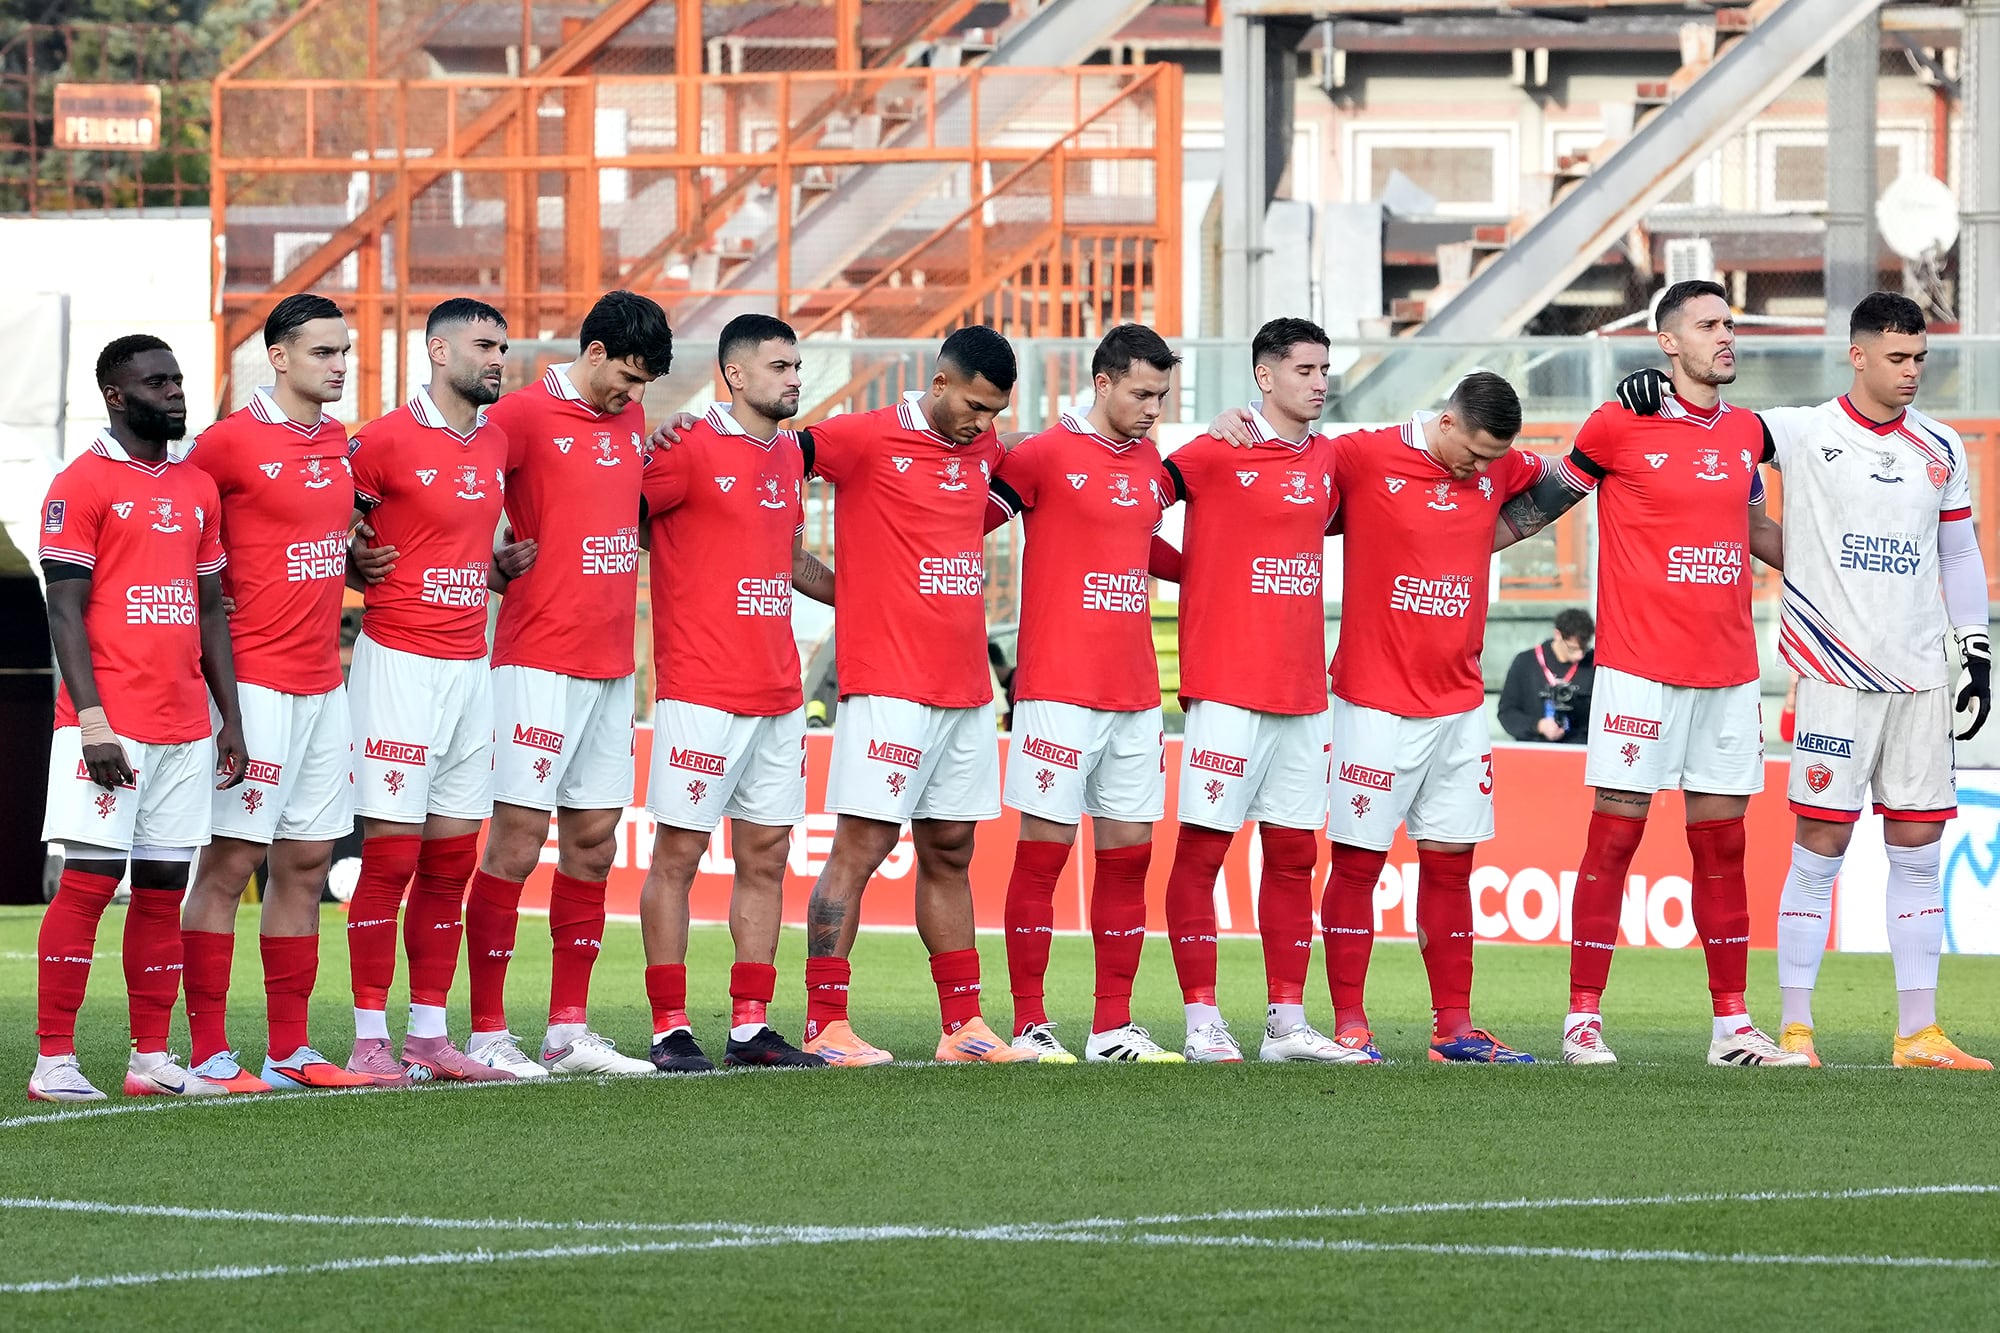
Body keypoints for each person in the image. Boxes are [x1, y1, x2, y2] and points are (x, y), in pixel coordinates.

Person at [1622, 291, 1993, 1069]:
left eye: (1920, 358)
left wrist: (1978, 647)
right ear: (1857, 355)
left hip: (1923, 674)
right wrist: (1647, 393)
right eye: (1897, 358)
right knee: (1821, 842)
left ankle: (1917, 1033)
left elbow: (1957, 554)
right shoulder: (1799, 429)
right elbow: (1714, 426)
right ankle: (1796, 1027)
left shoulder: (1943, 447)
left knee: (1919, 843)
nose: (1911, 372)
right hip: (1833, 671)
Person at [1494, 279, 1802, 1067]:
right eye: (1707, 325)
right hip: (1638, 672)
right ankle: (1582, 1020)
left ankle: (1733, 1025)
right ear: (1668, 342)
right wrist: (1455, 544)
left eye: (1730, 322)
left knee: (1725, 849)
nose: (1726, 335)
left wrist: (1846, 575)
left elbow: (1758, 529)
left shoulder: (1747, 435)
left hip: (1729, 672)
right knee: (1613, 843)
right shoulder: (1619, 420)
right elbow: (1546, 502)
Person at [1214, 371, 1544, 1063]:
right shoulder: (1362, 455)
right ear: (1447, 421)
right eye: (1476, 454)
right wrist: (1230, 425)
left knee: (1453, 864)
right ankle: (1351, 1022)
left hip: (1460, 703)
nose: (1484, 470)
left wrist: (1502, 527)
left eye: (1494, 461)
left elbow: (1563, 480)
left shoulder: (1501, 464)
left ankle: (1454, 1027)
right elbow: (1287, 464)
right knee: (1359, 864)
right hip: (1372, 700)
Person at [794, 326, 1035, 1065]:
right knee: (861, 847)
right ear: (938, 383)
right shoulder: (863, 438)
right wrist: (840, 590)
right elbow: (765, 462)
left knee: (951, 850)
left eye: (995, 411)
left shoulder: (984, 451)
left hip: (963, 687)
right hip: (888, 685)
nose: (982, 423)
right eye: (973, 405)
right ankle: (825, 1022)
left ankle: (963, 1026)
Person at [458, 291, 673, 1080]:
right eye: (625, 376)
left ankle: (567, 1030)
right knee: (515, 842)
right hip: (536, 663)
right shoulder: (515, 415)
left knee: (593, 843)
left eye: (644, 384)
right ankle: (485, 1030)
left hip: (612, 666)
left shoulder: (629, 422)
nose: (632, 395)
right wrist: (480, 568)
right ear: (591, 352)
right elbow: (454, 496)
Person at [29, 334, 249, 1102]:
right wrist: (91, 720)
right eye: (158, 382)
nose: (177, 392)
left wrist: (231, 718)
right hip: (109, 724)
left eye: (179, 379)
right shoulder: (79, 483)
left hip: (187, 724)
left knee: (162, 887)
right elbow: (63, 608)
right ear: (117, 396)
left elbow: (212, 609)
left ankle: (150, 1057)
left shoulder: (196, 488)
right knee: (90, 882)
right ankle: (53, 1058)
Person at [177, 294, 374, 1093]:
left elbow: (329, 546)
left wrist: (363, 568)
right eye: (324, 352)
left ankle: (289, 1049)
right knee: (229, 863)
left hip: (325, 682)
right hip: (251, 684)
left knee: (306, 861)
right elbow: (171, 530)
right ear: (281, 356)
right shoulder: (223, 445)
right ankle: (206, 1051)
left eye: (345, 352)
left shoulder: (337, 442)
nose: (339, 365)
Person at [342, 298, 532, 1085]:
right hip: (398, 663)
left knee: (452, 862)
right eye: (484, 346)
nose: (497, 359)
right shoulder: (380, 440)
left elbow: (457, 540)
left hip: (470, 665)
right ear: (436, 349)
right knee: (388, 860)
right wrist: (351, 564)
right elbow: (324, 527)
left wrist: (496, 569)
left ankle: (428, 1034)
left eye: (503, 347)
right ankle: (366, 1038)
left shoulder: (495, 440)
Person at [635, 314, 832, 1073]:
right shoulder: (685, 446)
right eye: (781, 366)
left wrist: (859, 596)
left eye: (798, 366)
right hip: (702, 687)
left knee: (766, 855)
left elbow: (786, 559)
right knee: (679, 855)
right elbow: (624, 519)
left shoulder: (788, 455)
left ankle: (750, 1025)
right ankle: (669, 1025)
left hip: (778, 691)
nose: (794, 378)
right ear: (736, 375)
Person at [1153, 318, 1353, 1065]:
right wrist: (1191, 571)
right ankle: (1202, 1019)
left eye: (1325, 368)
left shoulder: (1331, 458)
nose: (1319, 381)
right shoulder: (1214, 450)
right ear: (1265, 377)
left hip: (1303, 690)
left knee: (1295, 855)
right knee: (1204, 852)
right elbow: (1122, 508)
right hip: (1228, 688)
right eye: (1304, 369)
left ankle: (1286, 1023)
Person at [985, 324, 1185, 1064]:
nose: (1151, 408)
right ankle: (1032, 1023)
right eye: (1140, 393)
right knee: (1044, 855)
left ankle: (1112, 1028)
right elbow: (962, 520)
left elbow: (1137, 544)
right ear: (1101, 384)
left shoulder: (1148, 461)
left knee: (1129, 858)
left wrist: (1205, 568)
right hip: (1059, 689)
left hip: (1134, 693)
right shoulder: (1038, 456)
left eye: (1161, 395)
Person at [1497, 608, 1596, 744]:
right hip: (1534, 747)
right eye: (1573, 649)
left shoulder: (1592, 665)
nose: (1580, 655)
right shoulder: (1526, 662)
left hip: (1578, 747)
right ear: (1557, 635)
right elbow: (1507, 712)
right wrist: (1538, 726)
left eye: (1584, 649)